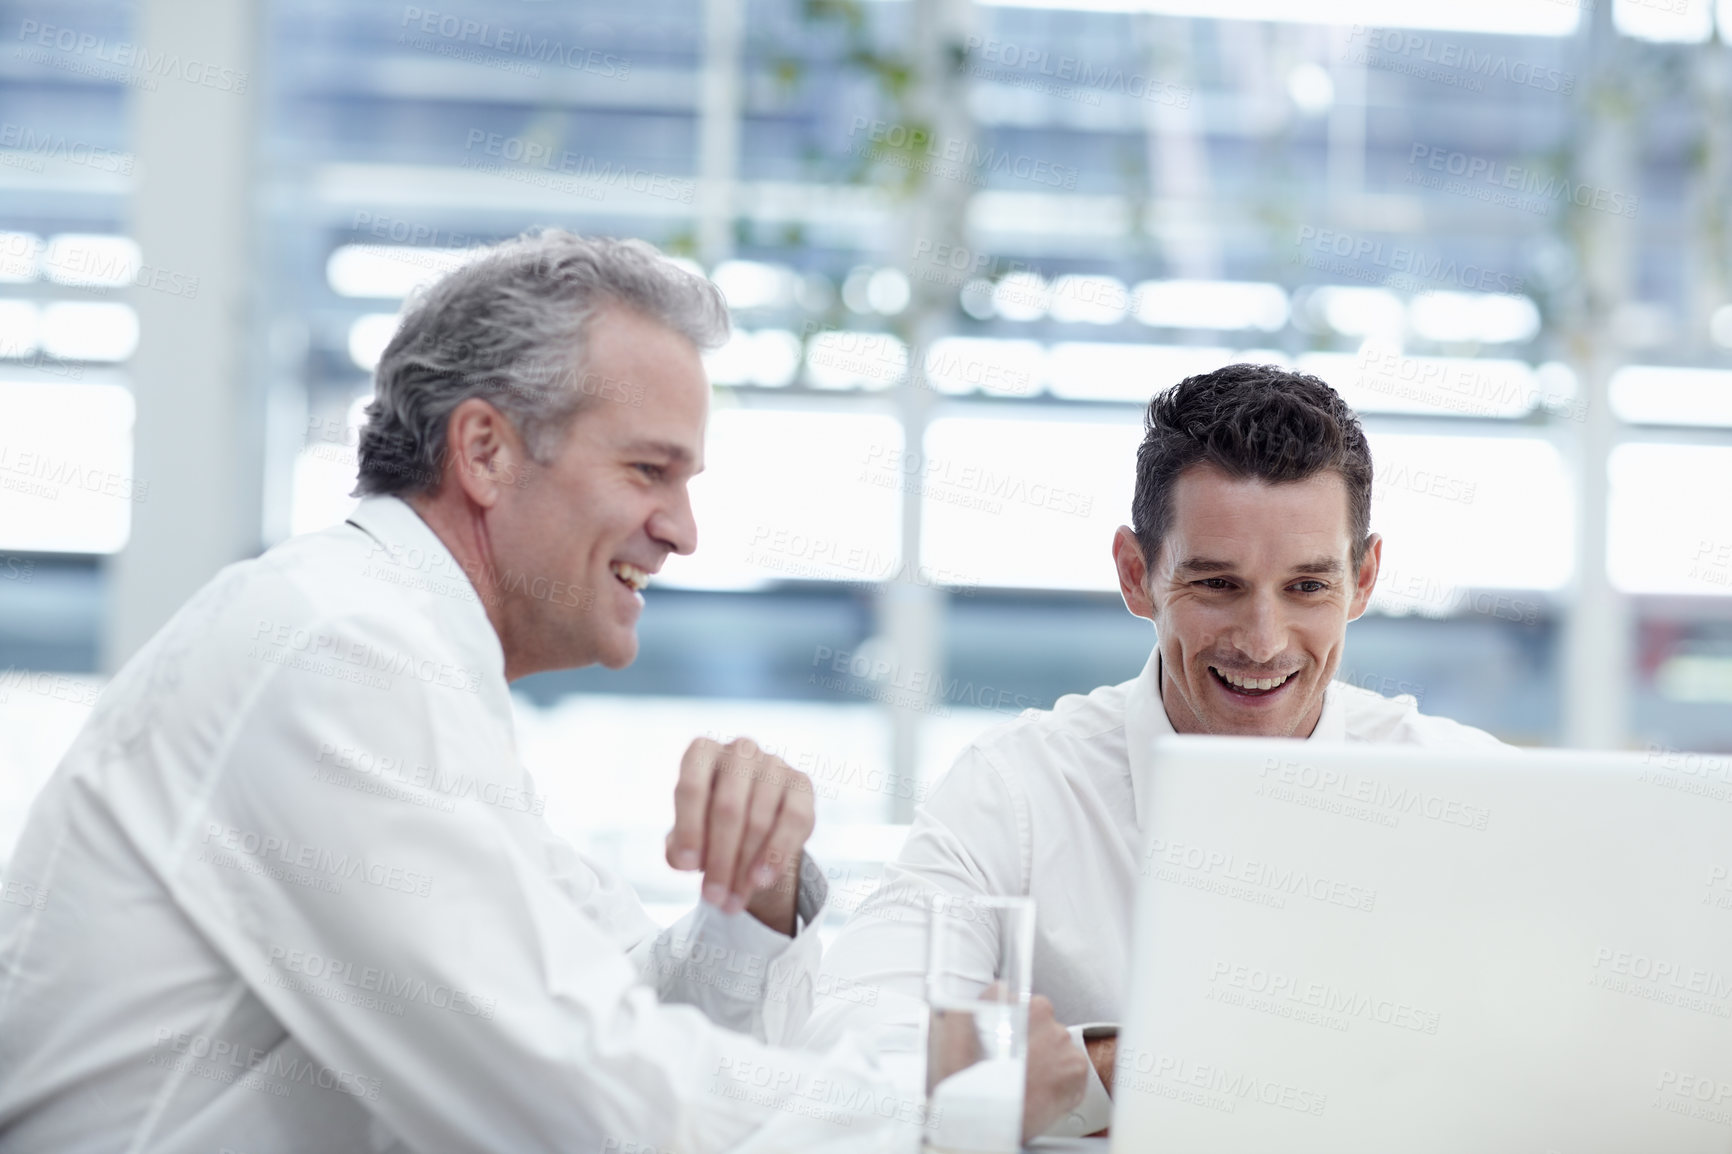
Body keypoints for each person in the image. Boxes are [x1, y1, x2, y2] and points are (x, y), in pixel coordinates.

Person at [0, 232, 1089, 1153]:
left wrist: (752, 900)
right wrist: (939, 1108)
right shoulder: (336, 654)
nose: (682, 529)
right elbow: (569, 1096)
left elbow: (609, 1002)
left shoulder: (401, 658)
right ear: (484, 449)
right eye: (647, 470)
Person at [802, 363, 1505, 1137]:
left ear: (1364, 579)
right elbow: (853, 1053)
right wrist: (1108, 1071)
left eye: (1307, 588)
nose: (1263, 642)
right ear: (1137, 576)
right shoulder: (1016, 794)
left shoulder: (1465, 792)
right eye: (1218, 586)